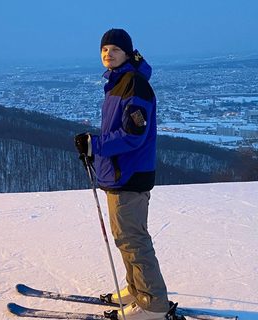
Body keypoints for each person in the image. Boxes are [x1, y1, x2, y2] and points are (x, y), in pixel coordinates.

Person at [74, 28, 169, 320]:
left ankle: (153, 304)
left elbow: (133, 134)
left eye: (115, 49)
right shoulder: (119, 83)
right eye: (104, 49)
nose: (108, 54)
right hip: (120, 174)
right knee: (124, 237)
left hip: (129, 174)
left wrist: (96, 144)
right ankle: (136, 289)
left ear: (128, 53)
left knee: (133, 239)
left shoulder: (134, 85)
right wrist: (95, 146)